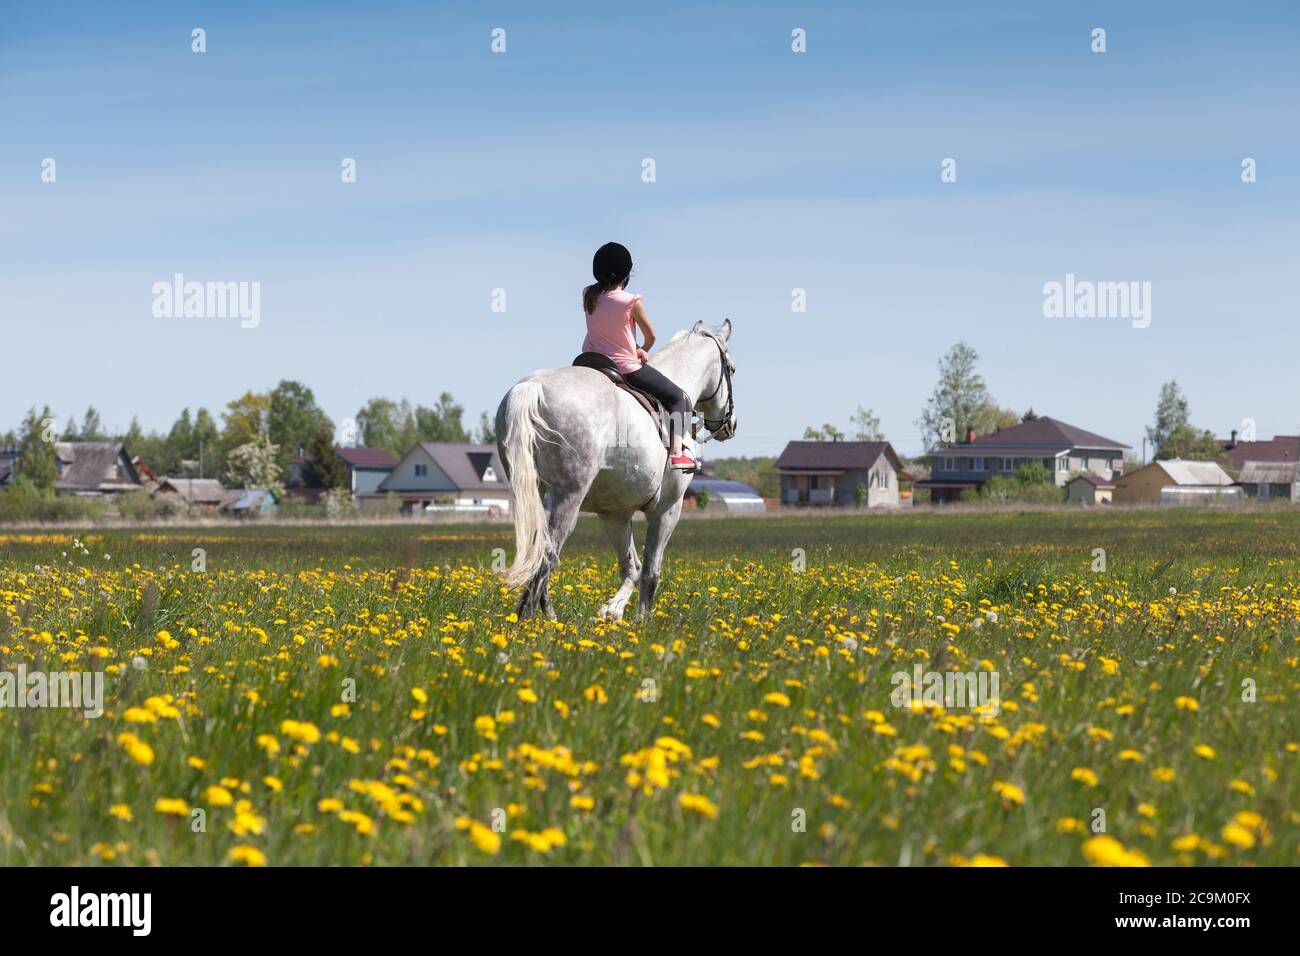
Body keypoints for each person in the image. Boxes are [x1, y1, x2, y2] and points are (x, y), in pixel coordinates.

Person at [581, 242, 695, 471]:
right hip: (624, 367)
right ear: (626, 274)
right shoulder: (630, 301)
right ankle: (677, 453)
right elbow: (651, 335)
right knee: (678, 397)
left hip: (590, 363)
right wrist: (643, 348)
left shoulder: (587, 294)